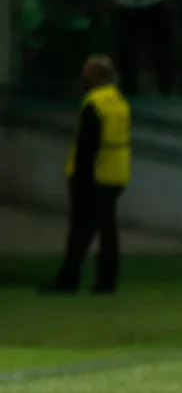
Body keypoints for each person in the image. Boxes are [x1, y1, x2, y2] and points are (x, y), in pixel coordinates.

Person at [44, 56, 131, 294]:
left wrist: (79, 177)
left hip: (93, 175)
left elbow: (87, 147)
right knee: (108, 230)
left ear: (95, 77)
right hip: (116, 174)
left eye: (87, 73)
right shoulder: (120, 102)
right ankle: (106, 280)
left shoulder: (94, 103)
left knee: (80, 230)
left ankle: (68, 279)